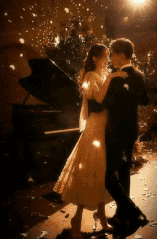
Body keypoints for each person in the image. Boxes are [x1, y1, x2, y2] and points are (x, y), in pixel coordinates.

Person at [53, 44, 128, 239]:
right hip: (95, 129)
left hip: (105, 128)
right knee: (90, 170)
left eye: (107, 56)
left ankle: (101, 217)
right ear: (94, 58)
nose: (106, 60)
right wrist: (111, 78)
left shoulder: (103, 76)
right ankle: (76, 222)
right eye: (103, 57)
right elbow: (99, 100)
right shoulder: (89, 77)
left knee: (102, 172)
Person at [103, 38, 150, 238]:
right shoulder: (139, 75)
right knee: (124, 173)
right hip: (131, 130)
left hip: (115, 131)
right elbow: (146, 100)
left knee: (105, 175)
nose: (111, 58)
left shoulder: (115, 76)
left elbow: (104, 103)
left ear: (121, 54)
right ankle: (122, 216)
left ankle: (132, 210)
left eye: (113, 54)